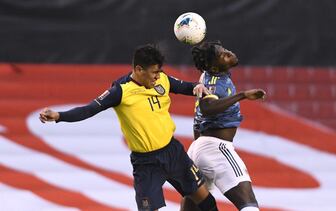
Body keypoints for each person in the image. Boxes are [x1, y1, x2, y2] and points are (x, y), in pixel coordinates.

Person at [39, 44, 218, 211]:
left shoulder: (162, 79)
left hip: (174, 153)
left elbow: (187, 87)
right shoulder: (120, 91)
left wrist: (198, 86)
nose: (157, 76)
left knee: (206, 203)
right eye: (154, 72)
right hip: (146, 163)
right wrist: (59, 116)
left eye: (159, 71)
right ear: (139, 70)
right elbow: (89, 109)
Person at [181, 41, 266, 211]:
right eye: (223, 54)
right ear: (213, 65)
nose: (229, 53)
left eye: (226, 49)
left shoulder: (209, 76)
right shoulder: (214, 81)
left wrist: (200, 145)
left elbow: (199, 117)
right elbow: (207, 108)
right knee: (249, 204)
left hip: (200, 147)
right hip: (217, 149)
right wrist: (242, 95)